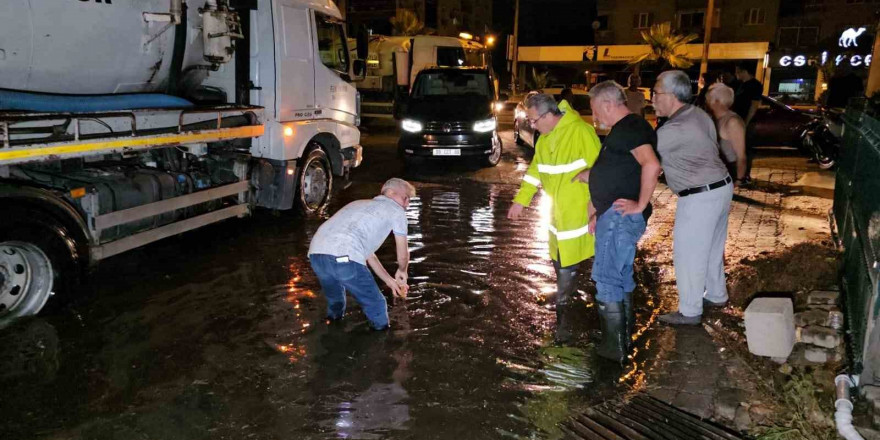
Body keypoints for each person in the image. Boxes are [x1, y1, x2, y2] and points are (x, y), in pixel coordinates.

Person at [507, 93, 602, 344]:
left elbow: (601, 172)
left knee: (573, 259)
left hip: (579, 211)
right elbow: (535, 171)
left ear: (549, 115)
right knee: (560, 257)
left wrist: (596, 210)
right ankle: (567, 303)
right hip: (557, 212)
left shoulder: (581, 132)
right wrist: (520, 200)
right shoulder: (544, 139)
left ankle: (567, 314)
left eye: (534, 120)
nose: (532, 125)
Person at [581, 81, 661, 362]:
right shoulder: (626, 130)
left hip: (620, 218)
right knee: (620, 277)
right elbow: (622, 171)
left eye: (594, 110)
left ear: (606, 103)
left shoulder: (630, 127)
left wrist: (639, 205)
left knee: (606, 278)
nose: (595, 117)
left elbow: (651, 164)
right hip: (613, 216)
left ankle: (613, 350)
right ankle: (624, 340)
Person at [652, 70, 734, 326]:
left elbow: (641, 155)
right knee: (710, 249)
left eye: (656, 93)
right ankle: (717, 294)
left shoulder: (675, 128)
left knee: (688, 254)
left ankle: (689, 311)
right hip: (720, 187)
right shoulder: (698, 114)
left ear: (673, 96)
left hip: (699, 196)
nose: (652, 99)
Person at [308, 178, 415, 331]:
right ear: (390, 193)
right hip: (344, 257)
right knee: (376, 304)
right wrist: (403, 270)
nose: (407, 204)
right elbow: (403, 254)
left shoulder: (357, 204)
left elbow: (368, 254)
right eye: (405, 198)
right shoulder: (395, 210)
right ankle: (381, 343)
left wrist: (390, 281)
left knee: (336, 301)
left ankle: (331, 329)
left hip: (316, 255)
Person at [706, 83, 747, 184]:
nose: (706, 102)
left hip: (727, 173)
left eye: (708, 99)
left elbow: (740, 155)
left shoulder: (732, 122)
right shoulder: (713, 118)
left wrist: (739, 179)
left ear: (716, 101)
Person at [733, 61, 763, 182]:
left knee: (745, 149)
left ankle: (745, 175)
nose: (736, 74)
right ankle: (738, 173)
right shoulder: (741, 85)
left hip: (746, 122)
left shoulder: (755, 85)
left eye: (737, 71)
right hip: (738, 121)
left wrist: (745, 122)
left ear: (744, 71)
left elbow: (754, 105)